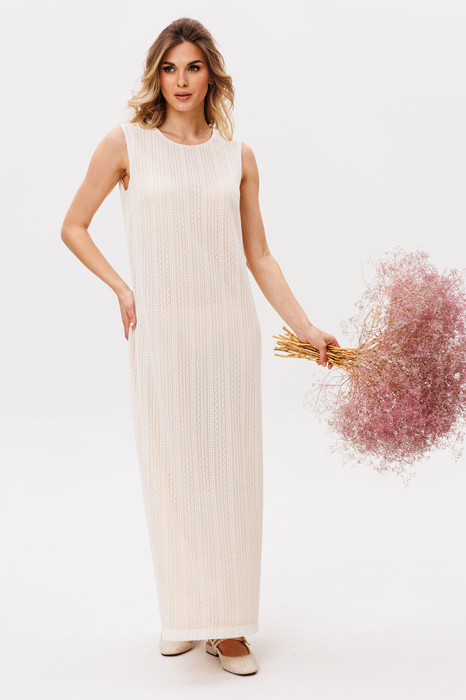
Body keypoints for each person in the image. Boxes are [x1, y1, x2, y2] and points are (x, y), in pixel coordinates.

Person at [61, 17, 340, 677]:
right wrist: (122, 288)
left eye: (192, 67)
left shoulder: (236, 157)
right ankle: (186, 614)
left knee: (229, 478)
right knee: (174, 473)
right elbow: (73, 226)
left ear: (211, 74)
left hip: (227, 336)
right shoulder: (125, 144)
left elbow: (259, 255)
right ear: (156, 75)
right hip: (162, 335)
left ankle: (231, 626)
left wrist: (306, 327)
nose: (181, 81)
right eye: (169, 68)